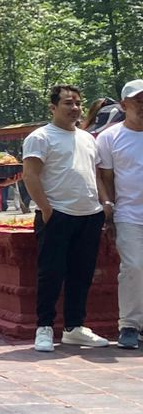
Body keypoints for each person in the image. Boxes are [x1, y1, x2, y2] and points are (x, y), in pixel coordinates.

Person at [23, 84, 110, 351]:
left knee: (82, 274)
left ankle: (74, 327)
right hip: (57, 214)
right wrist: (47, 210)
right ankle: (44, 328)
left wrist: (104, 202)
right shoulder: (40, 137)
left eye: (78, 103)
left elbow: (95, 174)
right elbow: (30, 175)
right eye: (68, 103)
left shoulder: (87, 138)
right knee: (51, 273)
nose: (75, 108)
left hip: (90, 214)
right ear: (53, 107)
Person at [97, 79, 143, 350]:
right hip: (128, 214)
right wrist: (108, 210)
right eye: (138, 101)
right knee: (134, 267)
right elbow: (105, 177)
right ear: (124, 105)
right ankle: (129, 324)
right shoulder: (110, 137)